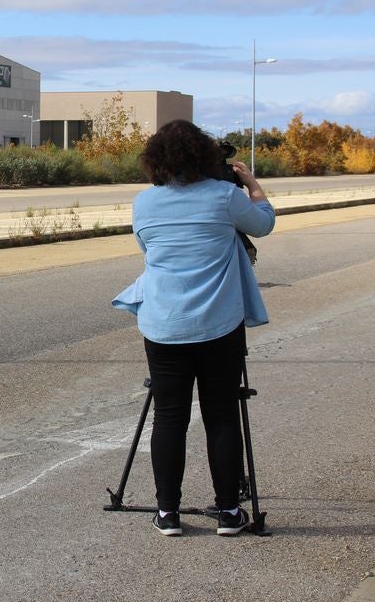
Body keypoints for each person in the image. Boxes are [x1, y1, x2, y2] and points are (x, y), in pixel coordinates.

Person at [112, 119, 275, 537]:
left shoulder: (144, 203)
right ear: (203, 156)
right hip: (219, 325)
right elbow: (263, 224)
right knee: (221, 416)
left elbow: (148, 250)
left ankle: (167, 512)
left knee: (169, 418)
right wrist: (253, 185)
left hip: (163, 325)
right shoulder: (223, 196)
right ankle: (227, 512)